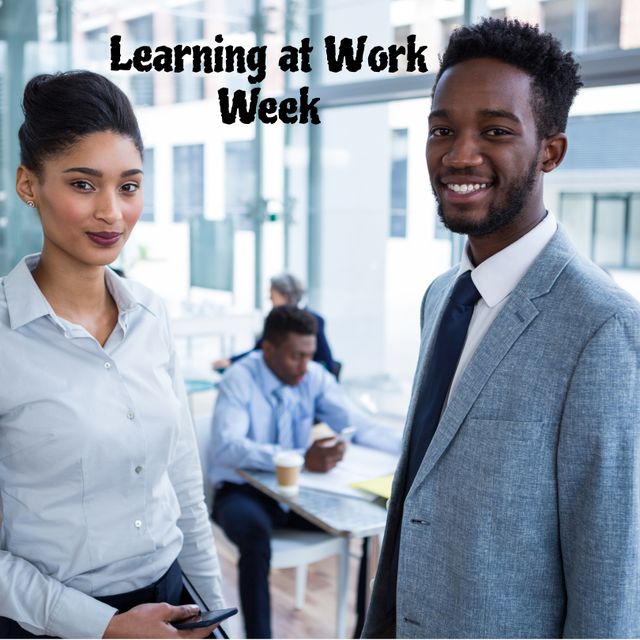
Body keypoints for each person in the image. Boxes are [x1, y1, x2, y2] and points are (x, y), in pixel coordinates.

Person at [362, 18, 640, 639]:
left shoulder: (603, 326)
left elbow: (609, 584)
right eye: (442, 130)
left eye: (495, 131)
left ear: (551, 150)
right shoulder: (441, 297)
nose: (459, 154)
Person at [0, 71, 224, 638]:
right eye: (82, 184)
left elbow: (182, 481)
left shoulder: (152, 314)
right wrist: (103, 627)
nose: (112, 213)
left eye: (128, 186)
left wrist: (216, 615)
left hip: (173, 601)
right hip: (49, 622)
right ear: (29, 185)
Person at [208, 305, 400, 638]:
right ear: (268, 348)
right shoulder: (239, 379)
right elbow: (228, 446)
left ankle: (362, 633)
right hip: (241, 491)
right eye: (296, 356)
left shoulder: (312, 376)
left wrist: (411, 449)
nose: (304, 366)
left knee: (368, 525)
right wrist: (298, 458)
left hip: (299, 494)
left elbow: (358, 424)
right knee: (254, 537)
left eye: (309, 355)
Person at [212, 273, 339, 376]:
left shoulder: (313, 320)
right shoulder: (276, 320)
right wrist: (231, 361)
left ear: (285, 296)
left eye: (272, 295)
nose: (269, 299)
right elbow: (260, 348)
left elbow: (326, 361)